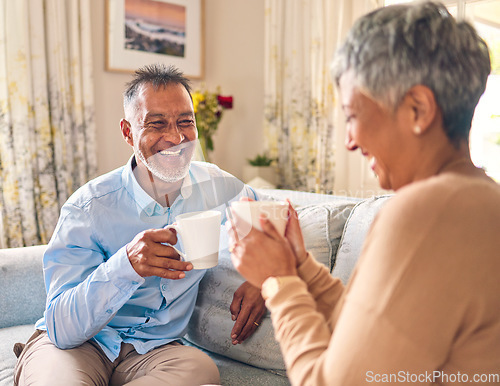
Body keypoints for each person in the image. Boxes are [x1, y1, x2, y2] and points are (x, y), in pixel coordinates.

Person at [228, 2, 500, 385]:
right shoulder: (478, 200)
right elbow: (372, 335)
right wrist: (299, 266)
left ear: (418, 109)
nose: (348, 141)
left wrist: (276, 279)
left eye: (352, 116)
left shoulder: (425, 211)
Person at [14, 63, 266, 385]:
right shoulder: (88, 207)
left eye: (185, 122)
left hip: (157, 350)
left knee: (202, 372)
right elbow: (62, 327)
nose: (175, 138)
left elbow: (269, 216)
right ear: (128, 132)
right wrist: (127, 264)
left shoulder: (217, 185)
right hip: (79, 345)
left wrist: (264, 277)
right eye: (156, 124)